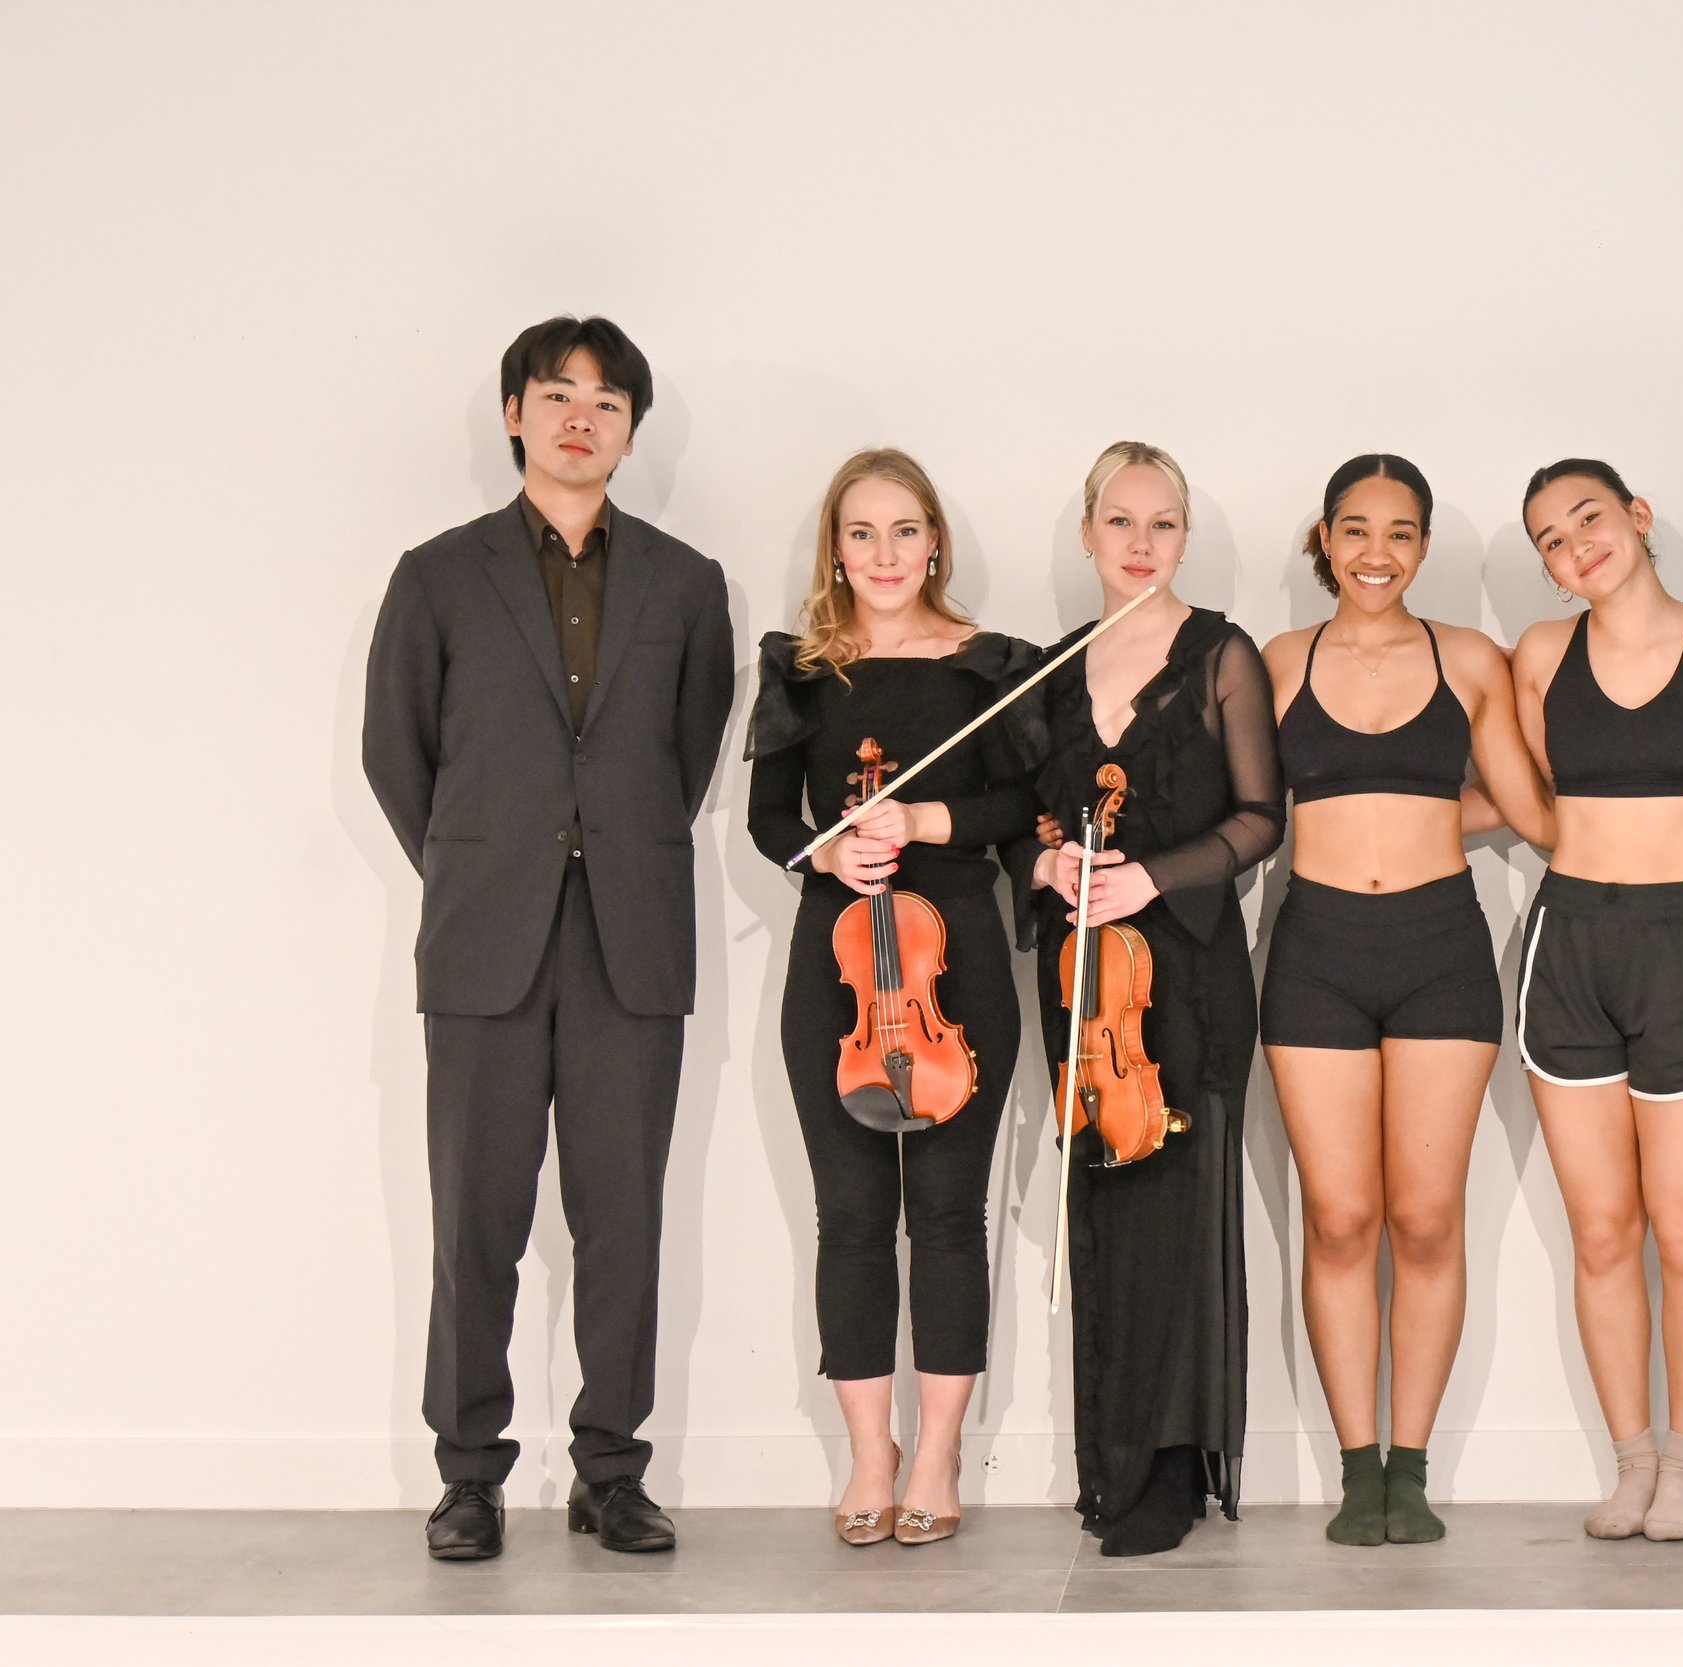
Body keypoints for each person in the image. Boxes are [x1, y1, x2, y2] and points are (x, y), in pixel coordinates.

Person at [362, 315, 734, 1561]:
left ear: (632, 430)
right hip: (486, 939)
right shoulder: (436, 574)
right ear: (515, 412)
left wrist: (605, 848)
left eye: (608, 401)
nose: (582, 417)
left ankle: (611, 1471)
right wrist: (486, 860)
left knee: (624, 1217)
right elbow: (396, 751)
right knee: (476, 1217)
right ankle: (468, 1474)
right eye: (557, 393)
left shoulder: (686, 583)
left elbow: (687, 754)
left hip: (632, 936)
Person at [744, 448, 1041, 1548]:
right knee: (853, 1216)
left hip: (955, 960)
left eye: (905, 530)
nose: (884, 553)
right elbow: (768, 818)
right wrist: (826, 853)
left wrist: (923, 822)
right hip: (839, 966)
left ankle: (937, 1450)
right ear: (836, 547)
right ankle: (869, 1451)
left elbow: (1021, 802)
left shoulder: (988, 664)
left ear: (934, 543)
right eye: (861, 532)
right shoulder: (799, 669)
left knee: (952, 1214)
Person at [1258, 455, 1552, 1545]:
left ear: (1423, 547)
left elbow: (1527, 805)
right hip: (1315, 950)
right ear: (1325, 541)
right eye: (1355, 529)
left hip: (1439, 948)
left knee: (1425, 1219)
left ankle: (1411, 1467)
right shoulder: (1279, 660)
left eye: (1399, 532)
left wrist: (1668, 850)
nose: (1375, 552)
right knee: (1340, 1219)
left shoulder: (1468, 658)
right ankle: (1356, 1469)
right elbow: (1239, 802)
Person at [1011, 441, 1282, 1558]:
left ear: (1185, 537)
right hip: (1086, 980)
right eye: (1119, 521)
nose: (1139, 542)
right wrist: (1045, 863)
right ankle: (1111, 1463)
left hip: (1190, 970)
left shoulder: (1223, 653)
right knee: (1103, 1206)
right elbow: (1021, 820)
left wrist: (1149, 877)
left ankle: (1170, 1468)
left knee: (1179, 1205)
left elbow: (1262, 818)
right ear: (1088, 533)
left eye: (1162, 523)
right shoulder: (1046, 671)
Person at [1509, 458, 1683, 1543]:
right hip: (1567, 944)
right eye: (1552, 541)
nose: (1577, 546)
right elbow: (1531, 800)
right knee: (1602, 1230)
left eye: (1590, 518)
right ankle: (1631, 1464)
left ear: (1638, 515)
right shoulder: (1539, 654)